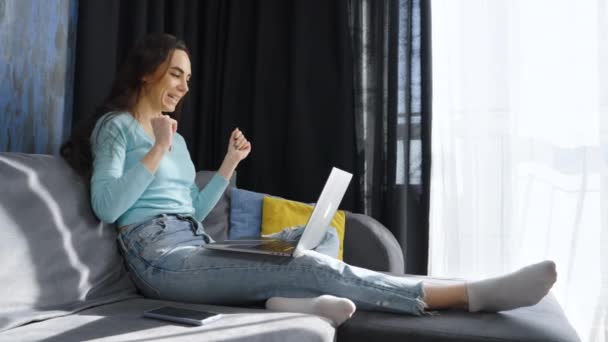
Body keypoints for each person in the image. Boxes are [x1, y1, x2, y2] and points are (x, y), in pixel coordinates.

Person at [61, 33, 557, 327]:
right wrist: (158, 150)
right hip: (159, 260)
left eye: (188, 78)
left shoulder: (178, 139)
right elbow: (107, 205)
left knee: (321, 233)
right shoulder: (118, 128)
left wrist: (229, 165)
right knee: (314, 264)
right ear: (148, 74)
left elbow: (191, 208)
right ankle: (465, 294)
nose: (184, 87)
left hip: (196, 243)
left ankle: (289, 301)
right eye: (175, 74)